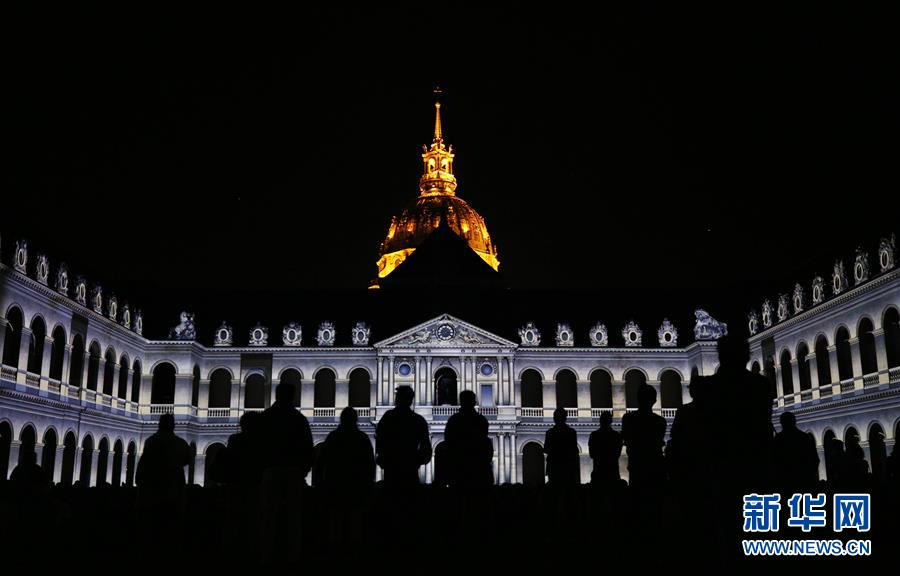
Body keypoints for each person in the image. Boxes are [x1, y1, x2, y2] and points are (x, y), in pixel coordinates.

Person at [259, 382, 314, 566]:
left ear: (277, 395)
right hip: (292, 472)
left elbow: (257, 447)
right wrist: (302, 471)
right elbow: (308, 448)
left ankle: (267, 556)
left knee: (268, 516)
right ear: (292, 396)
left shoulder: (266, 418)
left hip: (271, 471)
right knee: (293, 518)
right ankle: (293, 556)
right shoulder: (299, 419)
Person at [319, 407, 376, 550]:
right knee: (355, 524)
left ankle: (335, 552)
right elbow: (370, 464)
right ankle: (353, 555)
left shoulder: (333, 437)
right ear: (355, 420)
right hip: (356, 487)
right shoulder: (362, 438)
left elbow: (321, 462)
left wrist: (321, 484)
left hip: (335, 486)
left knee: (335, 524)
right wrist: (369, 485)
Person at [135, 413, 192, 556]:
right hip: (174, 491)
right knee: (171, 531)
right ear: (173, 425)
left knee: (153, 531)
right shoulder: (180, 443)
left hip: (152, 491)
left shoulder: (151, 441)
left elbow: (143, 466)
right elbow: (187, 460)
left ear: (159, 424)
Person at [375, 385, 432, 486]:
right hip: (410, 471)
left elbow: (379, 442)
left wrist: (384, 460)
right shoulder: (418, 420)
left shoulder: (388, 418)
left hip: (392, 471)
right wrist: (416, 462)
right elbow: (426, 450)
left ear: (397, 399)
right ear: (411, 400)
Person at [444, 390, 493, 489]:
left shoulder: (454, 420)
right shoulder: (481, 421)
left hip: (459, 473)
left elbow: (449, 446)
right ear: (474, 402)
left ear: (460, 402)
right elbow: (486, 448)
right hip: (479, 474)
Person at [773, 411, 819, 495]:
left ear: (782, 423)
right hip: (805, 482)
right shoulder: (805, 438)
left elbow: (775, 462)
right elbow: (815, 460)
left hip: (785, 484)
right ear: (794, 421)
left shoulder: (778, 439)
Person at [544, 407, 580, 486]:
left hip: (554, 467)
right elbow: (574, 452)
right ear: (565, 418)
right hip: (568, 468)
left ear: (554, 418)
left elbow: (546, 449)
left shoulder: (550, 433)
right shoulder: (571, 432)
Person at [588, 411, 622, 485]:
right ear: (611, 421)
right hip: (613, 474)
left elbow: (591, 454)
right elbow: (617, 455)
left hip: (598, 473)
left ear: (600, 420)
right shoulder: (616, 436)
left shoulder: (594, 435)